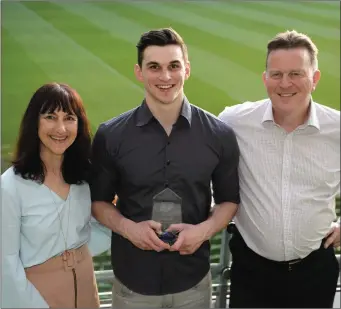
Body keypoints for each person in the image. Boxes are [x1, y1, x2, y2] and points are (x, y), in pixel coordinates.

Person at [90, 27, 240, 308]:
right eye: (154, 67)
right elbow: (98, 202)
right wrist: (128, 228)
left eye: (174, 66)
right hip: (134, 283)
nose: (166, 76)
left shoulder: (219, 135)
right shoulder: (111, 135)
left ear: (187, 69)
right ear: (139, 72)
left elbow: (229, 201)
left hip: (193, 282)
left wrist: (204, 231)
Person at [218, 30, 340, 308]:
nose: (285, 84)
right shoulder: (233, 121)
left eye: (296, 73)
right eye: (276, 74)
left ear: (315, 78)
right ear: (265, 79)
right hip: (251, 272)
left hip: (315, 272)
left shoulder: (338, 130)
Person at [1, 83, 111, 308]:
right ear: (35, 122)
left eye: (69, 118)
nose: (61, 129)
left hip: (86, 289)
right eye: (50, 117)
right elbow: (6, 262)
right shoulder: (10, 186)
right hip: (37, 296)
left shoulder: (83, 179)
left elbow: (86, 236)